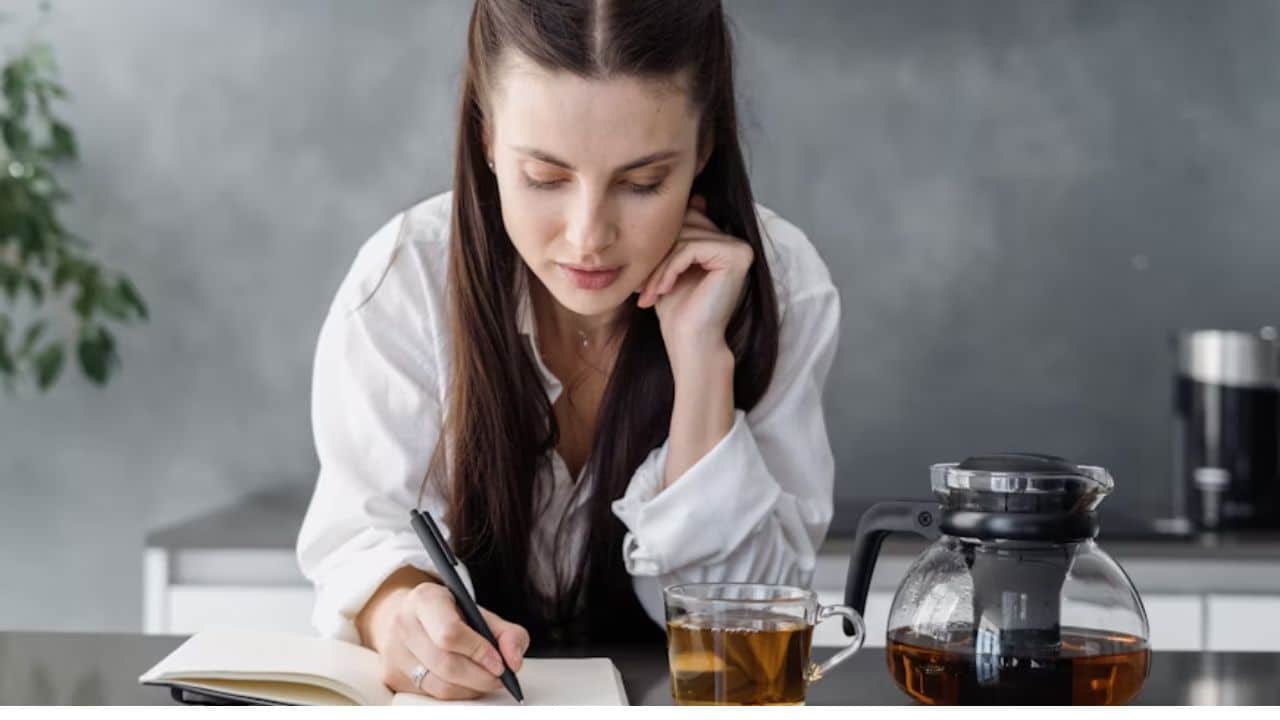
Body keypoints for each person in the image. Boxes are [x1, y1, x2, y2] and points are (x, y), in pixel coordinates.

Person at [296, 0, 840, 701]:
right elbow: (363, 542)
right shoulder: (406, 279)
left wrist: (702, 363)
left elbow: (746, 637)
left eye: (643, 183)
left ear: (704, 148)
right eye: (545, 178)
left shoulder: (784, 288)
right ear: (487, 135)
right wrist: (403, 611)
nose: (588, 236)